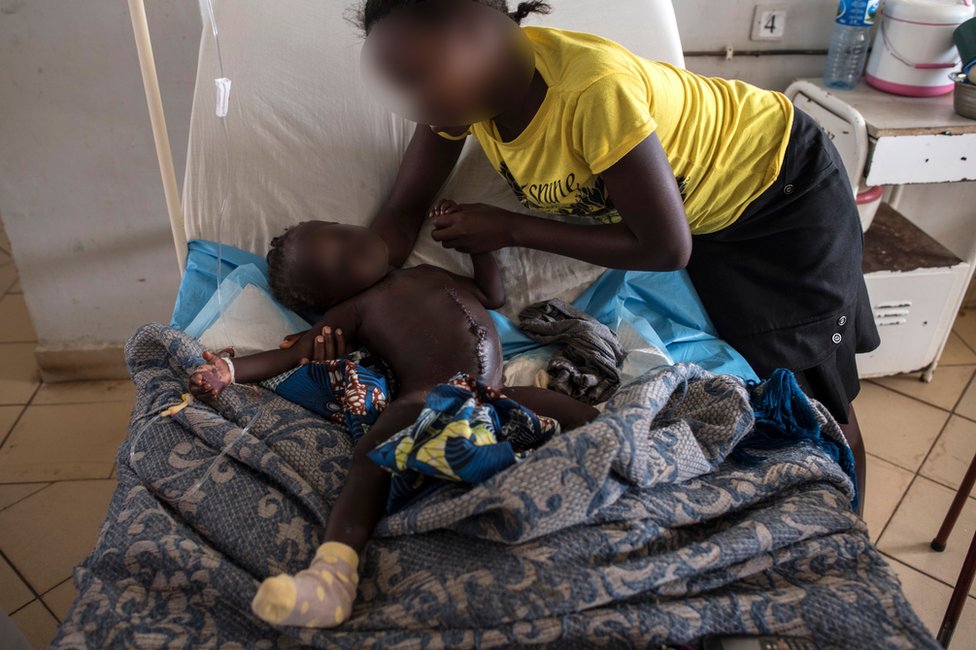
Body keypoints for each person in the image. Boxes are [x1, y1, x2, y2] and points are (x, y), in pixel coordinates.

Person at [359, 0, 879, 512]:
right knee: (764, 377)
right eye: (402, 84)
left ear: (478, 26)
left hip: (783, 192)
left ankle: (849, 519)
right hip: (712, 216)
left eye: (421, 77)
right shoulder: (461, 98)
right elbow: (403, 212)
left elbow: (666, 247)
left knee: (819, 400)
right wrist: (350, 278)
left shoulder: (591, 91)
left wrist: (509, 229)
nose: (416, 103)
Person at [188, 218, 598, 628]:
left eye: (345, 234)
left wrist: (478, 245)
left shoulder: (426, 272)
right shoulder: (352, 311)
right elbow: (288, 357)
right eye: (341, 264)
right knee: (371, 457)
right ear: (330, 296)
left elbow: (492, 294)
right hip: (426, 397)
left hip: (492, 394)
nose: (355, 247)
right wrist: (227, 371)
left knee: (575, 414)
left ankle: (629, 438)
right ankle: (331, 577)